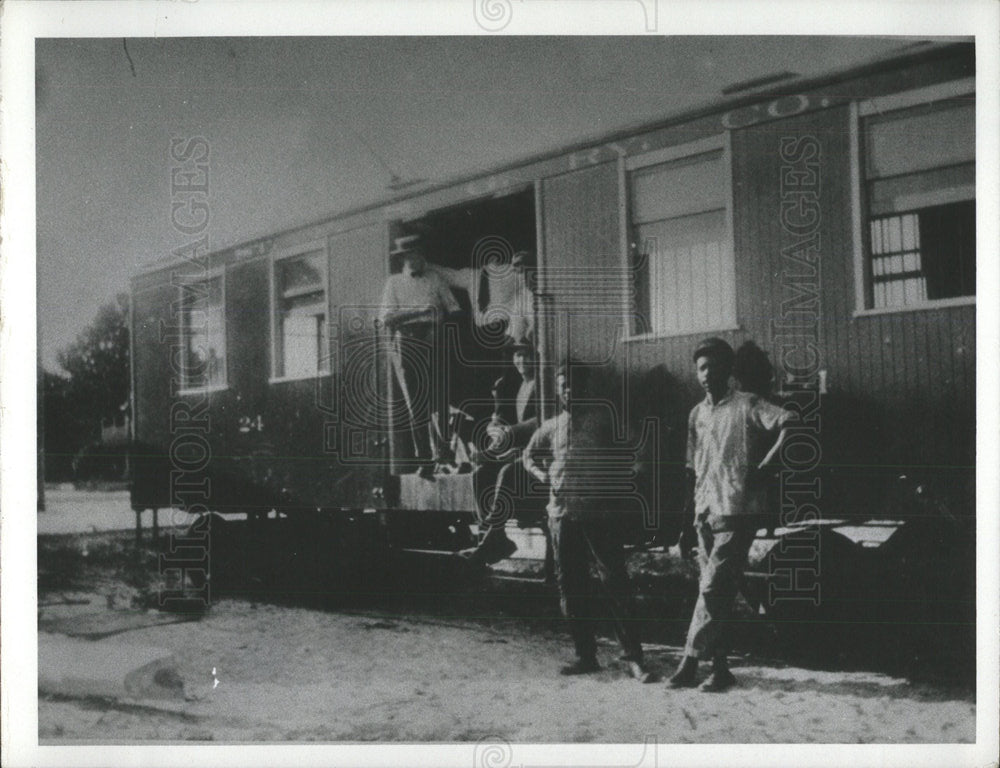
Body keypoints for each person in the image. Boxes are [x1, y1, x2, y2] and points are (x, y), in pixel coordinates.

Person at [668, 338, 792, 692]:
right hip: (706, 513)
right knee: (715, 592)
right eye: (701, 368)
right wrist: (688, 521)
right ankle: (720, 670)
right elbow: (694, 469)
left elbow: (788, 422)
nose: (707, 374)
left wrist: (768, 466)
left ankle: (689, 662)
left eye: (714, 366)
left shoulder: (747, 404)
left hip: (739, 511)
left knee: (711, 588)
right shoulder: (696, 415)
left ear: (728, 370)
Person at [523, 363, 656, 683]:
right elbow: (527, 456)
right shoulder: (551, 426)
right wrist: (543, 476)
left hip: (600, 515)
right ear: (557, 390)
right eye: (563, 385)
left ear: (586, 388)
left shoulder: (604, 419)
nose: (569, 390)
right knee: (571, 586)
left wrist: (633, 472)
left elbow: (640, 446)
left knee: (615, 584)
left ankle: (634, 658)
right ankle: (585, 655)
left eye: (574, 384)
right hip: (561, 515)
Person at [459, 342, 551, 571]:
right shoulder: (520, 384)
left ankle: (494, 536)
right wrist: (496, 427)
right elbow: (501, 416)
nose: (522, 361)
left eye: (527, 356)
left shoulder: (544, 383)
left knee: (506, 471)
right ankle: (493, 536)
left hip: (540, 454)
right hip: (520, 452)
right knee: (480, 473)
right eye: (518, 356)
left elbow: (541, 419)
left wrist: (510, 432)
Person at [379, 235, 461, 478]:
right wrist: (418, 311)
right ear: (403, 259)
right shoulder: (393, 283)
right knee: (416, 402)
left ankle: (444, 455)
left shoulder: (434, 279)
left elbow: (454, 307)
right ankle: (424, 459)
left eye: (418, 255)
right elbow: (386, 318)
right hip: (407, 340)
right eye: (410, 256)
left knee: (439, 396)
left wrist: (446, 320)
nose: (415, 260)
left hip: (434, 336)